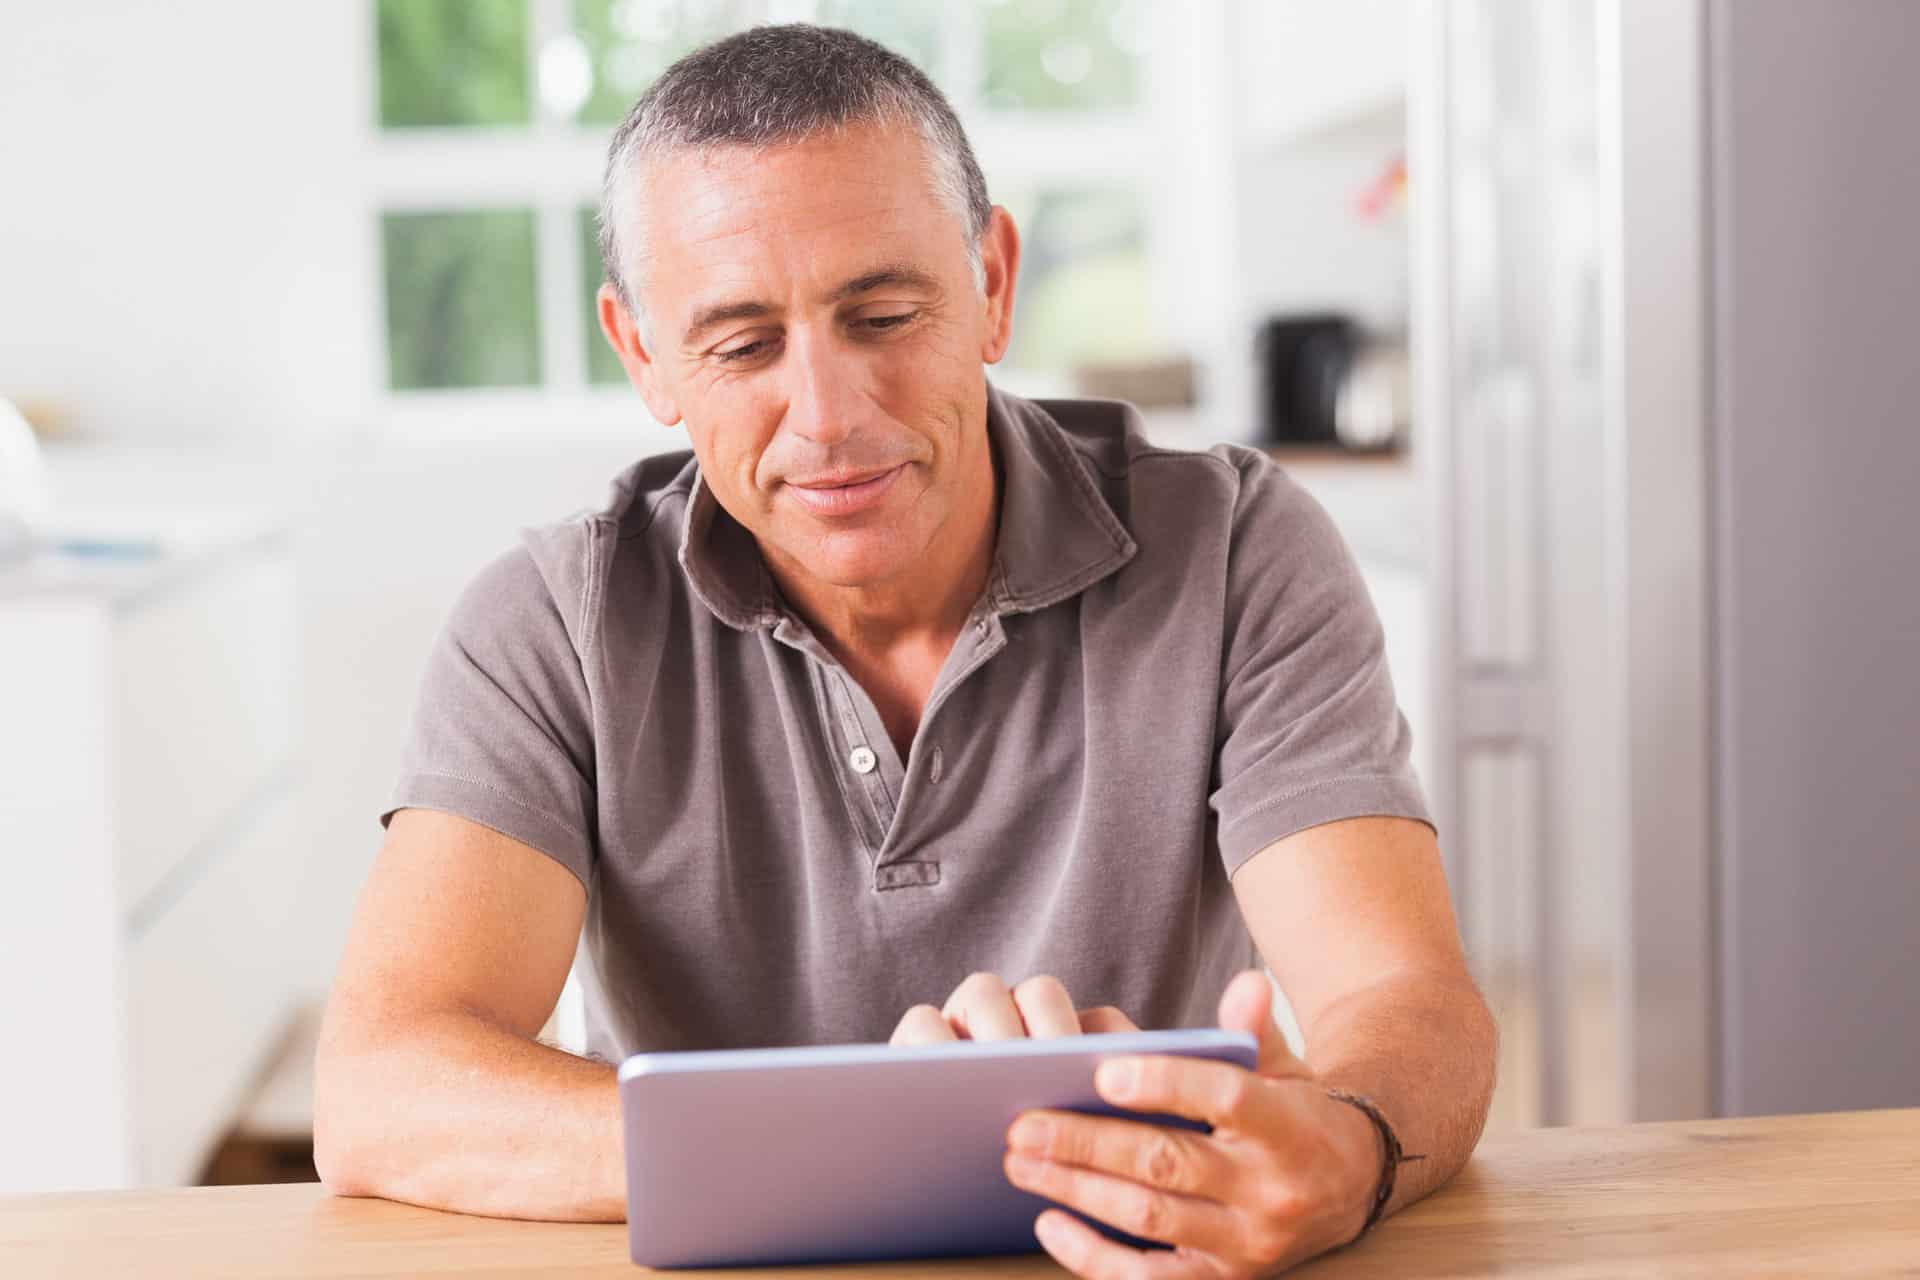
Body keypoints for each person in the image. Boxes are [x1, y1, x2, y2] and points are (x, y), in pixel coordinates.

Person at [314, 24, 1495, 1277]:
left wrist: (1347, 1149)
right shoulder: (551, 618)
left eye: (882, 313)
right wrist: (880, 1139)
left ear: (992, 282)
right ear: (644, 353)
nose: (829, 416)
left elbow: (1406, 1004)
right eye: (742, 345)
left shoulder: (1237, 548)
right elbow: (384, 1084)